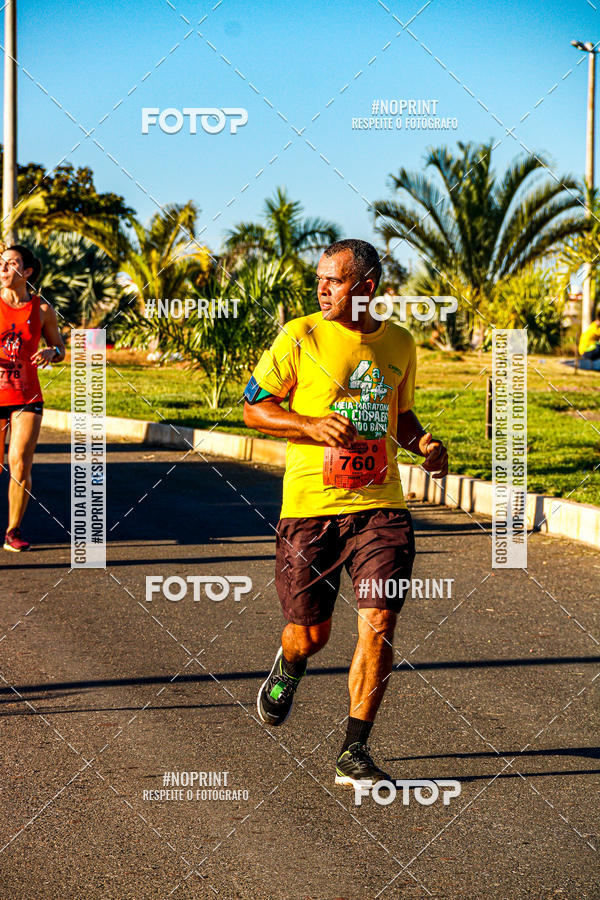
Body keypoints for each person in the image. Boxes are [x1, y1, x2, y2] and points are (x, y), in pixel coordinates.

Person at [244, 238, 448, 789]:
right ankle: (289, 664)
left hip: (381, 505)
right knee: (310, 633)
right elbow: (253, 405)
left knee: (379, 621)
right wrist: (309, 425)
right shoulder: (301, 334)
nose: (322, 289)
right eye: (319, 280)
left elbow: (399, 416)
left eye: (333, 280)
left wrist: (423, 442)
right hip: (310, 509)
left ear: (367, 286)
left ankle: (353, 749)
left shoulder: (400, 343)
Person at [0, 245, 65, 551]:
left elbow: (60, 349)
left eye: (10, 263)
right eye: (1, 263)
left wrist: (53, 352)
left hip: (26, 395)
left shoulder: (41, 310)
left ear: (26, 272)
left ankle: (13, 531)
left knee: (20, 463)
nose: (3, 268)